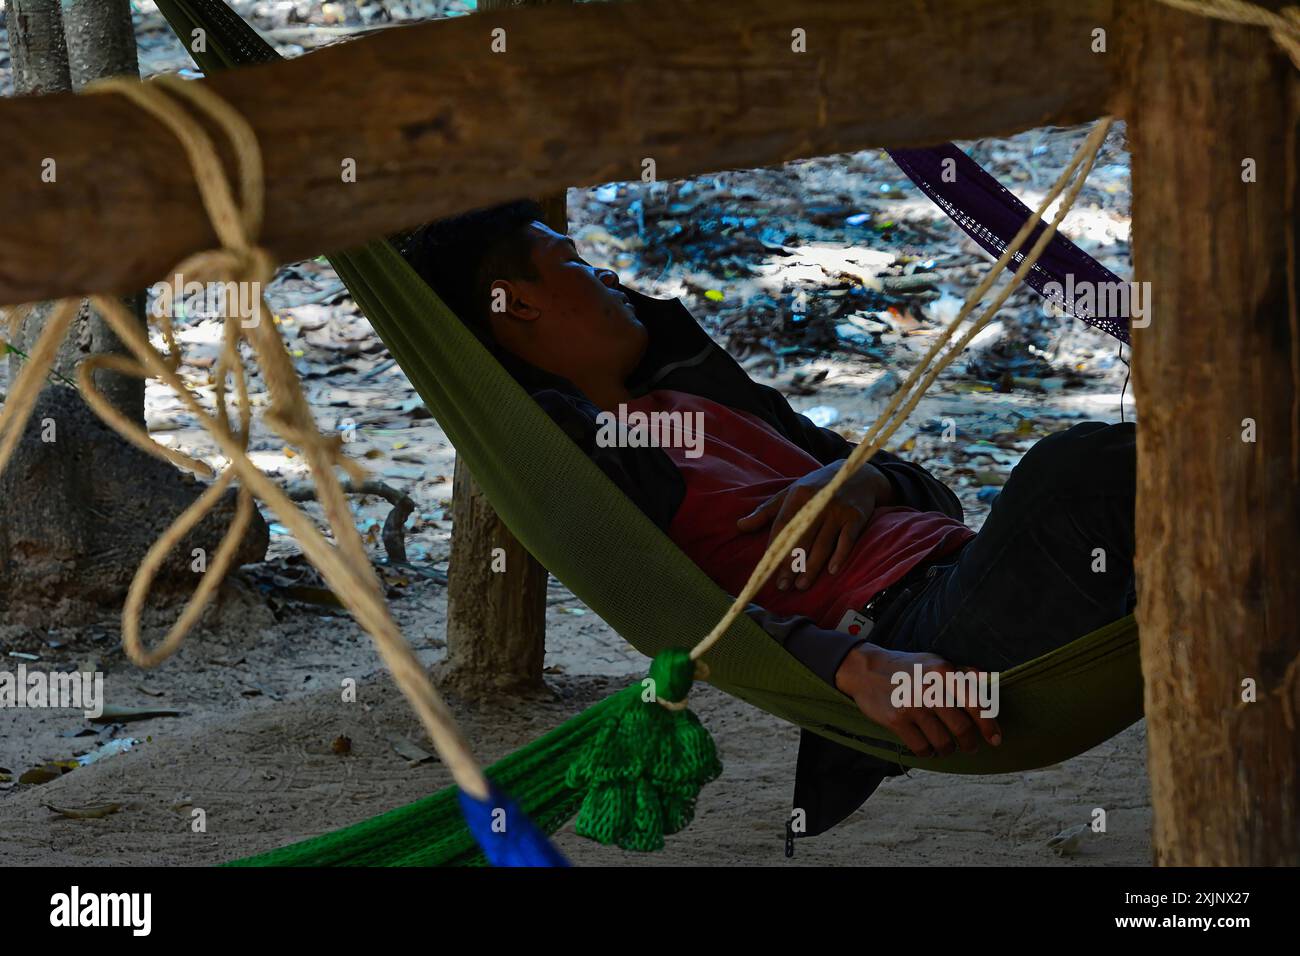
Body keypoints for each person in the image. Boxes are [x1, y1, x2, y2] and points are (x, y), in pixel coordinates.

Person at [400, 199, 1137, 837]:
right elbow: (663, 609)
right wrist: (855, 668)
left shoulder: (699, 394)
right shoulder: (579, 459)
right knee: (1071, 473)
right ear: (518, 303)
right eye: (577, 265)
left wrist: (864, 482)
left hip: (988, 578)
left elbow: (936, 498)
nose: (611, 279)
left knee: (1104, 495)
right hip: (915, 637)